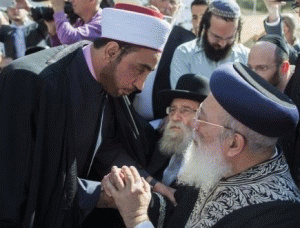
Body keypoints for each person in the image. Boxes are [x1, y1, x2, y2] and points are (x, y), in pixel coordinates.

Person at [0, 3, 171, 228]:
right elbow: (22, 186)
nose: (141, 84)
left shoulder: (108, 81)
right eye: (140, 69)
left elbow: (106, 146)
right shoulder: (30, 83)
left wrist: (151, 183)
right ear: (111, 51)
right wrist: (100, 195)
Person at [102, 62, 300, 228]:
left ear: (234, 144)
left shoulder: (277, 218)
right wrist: (137, 196)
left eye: (201, 118)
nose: (193, 125)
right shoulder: (217, 162)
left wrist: (137, 218)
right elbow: (178, 215)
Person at [146, 74, 209, 199]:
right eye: (172, 110)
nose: (175, 117)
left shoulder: (209, 163)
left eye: (185, 110)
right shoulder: (155, 140)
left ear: (202, 117)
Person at [132, 0, 196, 120]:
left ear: (179, 8)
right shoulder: (134, 28)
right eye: (163, 0)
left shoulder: (187, 41)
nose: (167, 6)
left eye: (173, 2)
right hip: (125, 118)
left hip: (163, 124)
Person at [169, 0, 249, 89]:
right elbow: (182, 98)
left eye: (229, 38)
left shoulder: (246, 57)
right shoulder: (184, 54)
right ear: (205, 28)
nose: (222, 44)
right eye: (217, 37)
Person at [17, 0, 102, 47]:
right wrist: (54, 33)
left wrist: (58, 9)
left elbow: (70, 40)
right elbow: (62, 50)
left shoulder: (102, 22)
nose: (72, 1)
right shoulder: (79, 22)